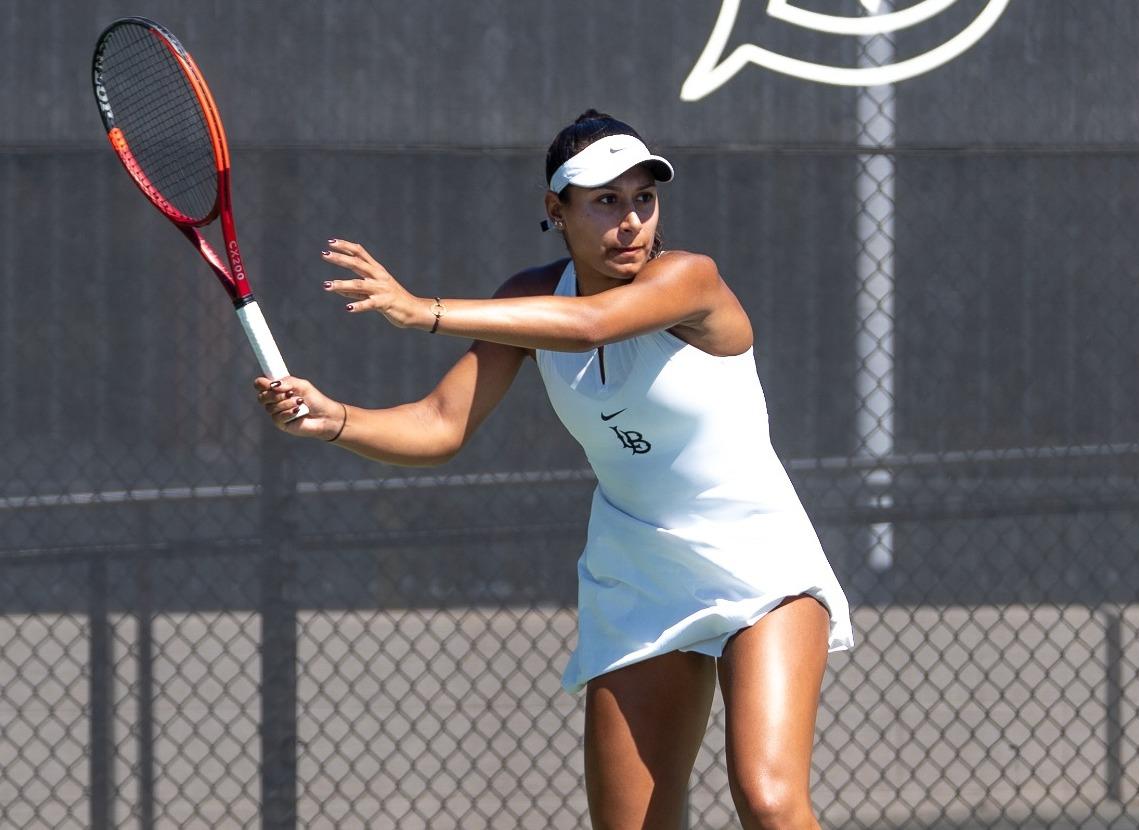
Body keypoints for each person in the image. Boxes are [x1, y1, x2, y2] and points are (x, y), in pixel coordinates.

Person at [255, 110, 854, 830]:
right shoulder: (529, 298)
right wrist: (336, 420)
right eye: (605, 200)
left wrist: (421, 311)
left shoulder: (689, 279)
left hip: (761, 564)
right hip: (638, 573)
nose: (630, 221)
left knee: (769, 801)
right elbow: (440, 424)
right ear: (556, 208)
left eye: (643, 198)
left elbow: (591, 325)